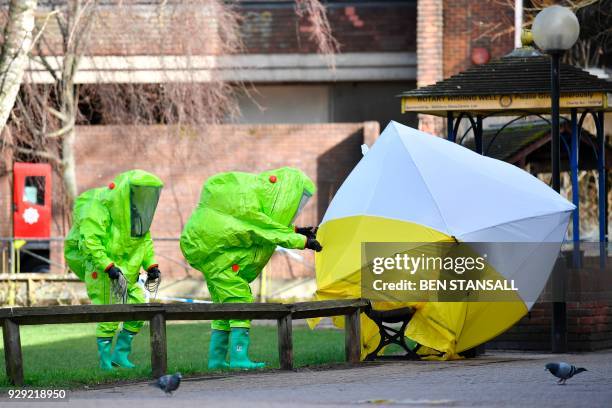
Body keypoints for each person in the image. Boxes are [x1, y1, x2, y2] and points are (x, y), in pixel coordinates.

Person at [180, 167, 322, 370]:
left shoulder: (249, 199)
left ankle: (216, 360)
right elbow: (262, 229)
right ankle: (239, 358)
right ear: (285, 193)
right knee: (240, 301)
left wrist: (298, 231)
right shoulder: (248, 204)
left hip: (214, 254)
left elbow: (266, 225)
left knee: (224, 308)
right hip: (218, 256)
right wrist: (303, 241)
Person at [64, 170, 164, 370]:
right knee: (109, 314)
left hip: (127, 272)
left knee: (140, 308)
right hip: (102, 273)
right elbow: (91, 241)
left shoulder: (138, 214)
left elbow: (144, 243)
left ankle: (120, 355)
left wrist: (151, 266)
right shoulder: (99, 208)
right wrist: (108, 267)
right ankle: (104, 362)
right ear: (127, 191)